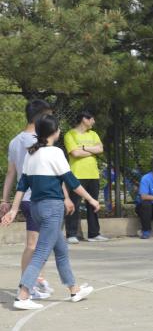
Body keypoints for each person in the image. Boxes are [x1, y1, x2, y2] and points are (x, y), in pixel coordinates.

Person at [1, 115, 98, 309]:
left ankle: (74, 289)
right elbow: (71, 181)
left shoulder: (31, 153)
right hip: (52, 208)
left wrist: (14, 209)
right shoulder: (56, 152)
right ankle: (23, 295)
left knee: (61, 250)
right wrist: (91, 199)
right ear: (55, 132)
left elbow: (22, 185)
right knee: (41, 253)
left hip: (36, 207)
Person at [1, 99, 56, 300]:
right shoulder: (37, 141)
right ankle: (26, 286)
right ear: (41, 117)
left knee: (41, 243)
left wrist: (4, 200)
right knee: (34, 245)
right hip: (35, 198)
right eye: (49, 116)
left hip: (24, 198)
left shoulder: (15, 140)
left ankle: (37, 279)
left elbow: (11, 173)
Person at [63, 110, 107, 243]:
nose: (94, 121)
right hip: (76, 174)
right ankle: (71, 234)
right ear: (84, 119)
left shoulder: (93, 134)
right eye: (92, 119)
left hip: (93, 174)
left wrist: (83, 148)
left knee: (93, 204)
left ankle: (94, 234)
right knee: (74, 204)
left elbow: (100, 149)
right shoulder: (70, 134)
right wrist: (92, 150)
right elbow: (75, 153)